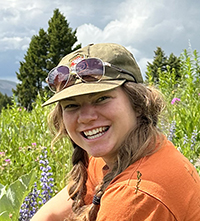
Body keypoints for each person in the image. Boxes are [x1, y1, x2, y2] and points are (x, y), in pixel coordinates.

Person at [31, 43, 200, 221]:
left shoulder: (135, 195)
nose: (86, 117)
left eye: (101, 98)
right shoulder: (128, 152)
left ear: (139, 104)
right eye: (71, 105)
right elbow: (49, 215)